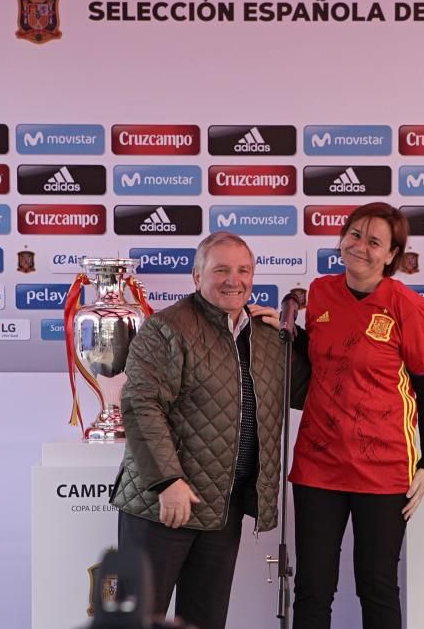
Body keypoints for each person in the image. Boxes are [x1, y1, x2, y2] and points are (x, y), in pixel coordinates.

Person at [110, 231, 309, 629]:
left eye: (243, 270)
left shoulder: (266, 335)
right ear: (196, 275)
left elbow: (305, 393)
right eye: (221, 270)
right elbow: (140, 405)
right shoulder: (167, 328)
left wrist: (296, 338)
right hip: (164, 505)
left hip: (223, 506)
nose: (233, 280)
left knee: (204, 620)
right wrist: (168, 481)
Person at [288, 202, 424, 629]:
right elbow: (323, 354)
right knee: (312, 589)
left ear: (392, 255)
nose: (360, 247)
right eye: (354, 235)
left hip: (382, 466)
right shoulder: (320, 292)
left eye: (374, 241)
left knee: (376, 587)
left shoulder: (407, 306)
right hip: (318, 461)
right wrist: (282, 333)